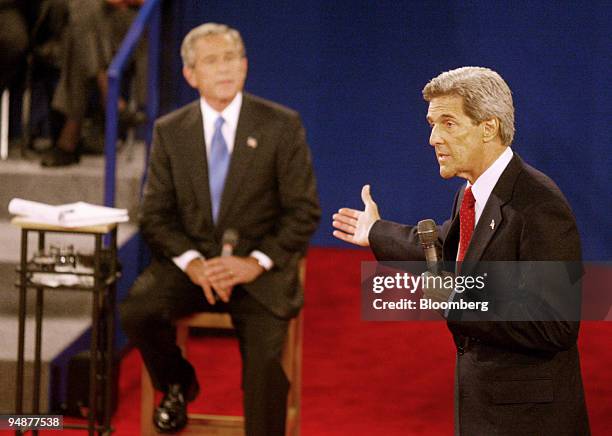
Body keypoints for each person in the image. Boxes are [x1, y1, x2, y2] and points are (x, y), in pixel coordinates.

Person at [332, 67, 589, 435]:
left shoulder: (538, 204)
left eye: (448, 123)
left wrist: (460, 300)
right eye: (432, 123)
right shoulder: (473, 194)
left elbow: (556, 324)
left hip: (528, 420)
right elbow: (442, 247)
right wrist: (374, 231)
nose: (434, 137)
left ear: (489, 127)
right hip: (487, 408)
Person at [119, 23, 320, 435]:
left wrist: (253, 263)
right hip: (193, 269)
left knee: (265, 364)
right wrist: (195, 265)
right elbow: (155, 215)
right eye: (212, 61)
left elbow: (302, 212)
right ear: (191, 75)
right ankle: (177, 383)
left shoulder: (281, 125)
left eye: (231, 58)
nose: (225, 68)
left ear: (245, 66)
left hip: (257, 273)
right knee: (137, 311)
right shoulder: (170, 131)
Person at [41, 0, 146, 166]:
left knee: (79, 34)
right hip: (81, 22)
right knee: (84, 13)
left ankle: (69, 139)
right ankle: (110, 97)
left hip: (125, 22)